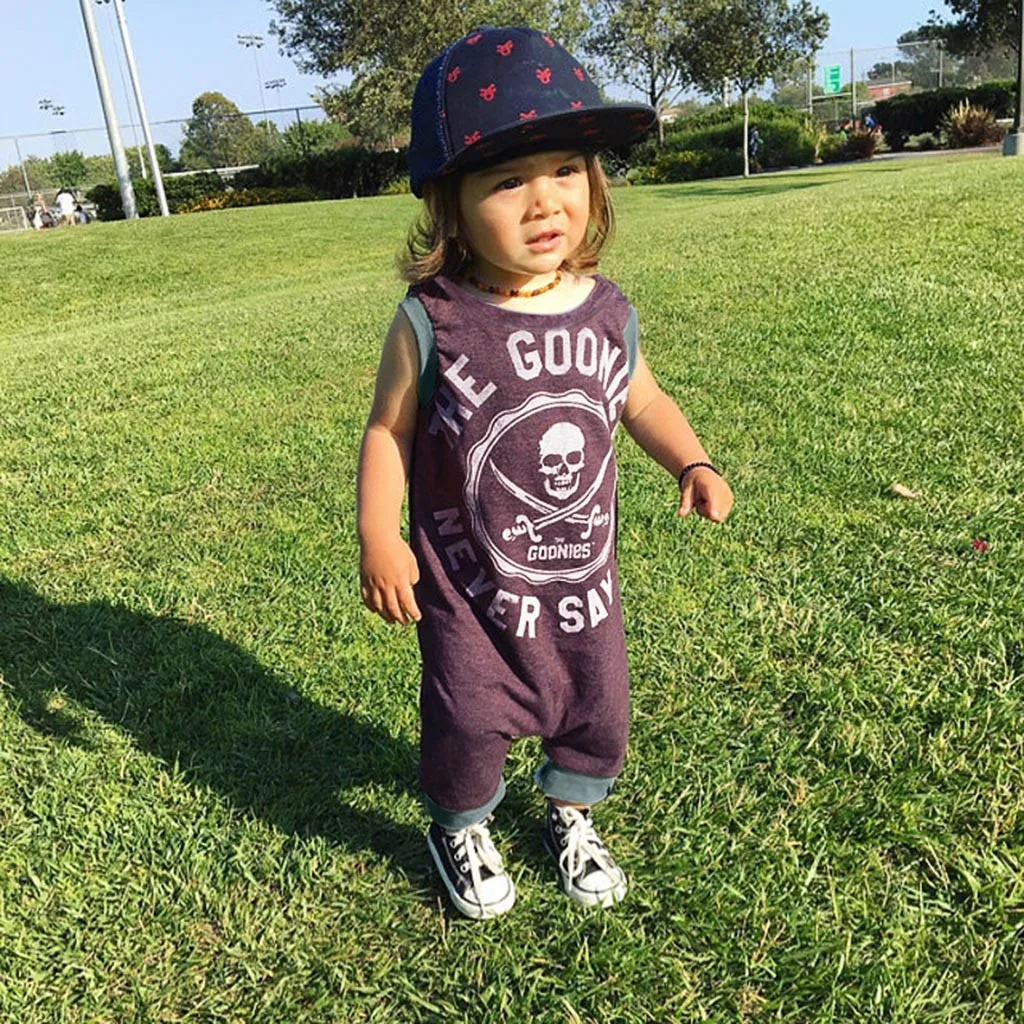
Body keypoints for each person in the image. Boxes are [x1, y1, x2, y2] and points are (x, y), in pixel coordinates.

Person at [356, 25, 734, 920]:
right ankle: (461, 825)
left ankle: (572, 813)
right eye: (507, 181)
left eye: (566, 170)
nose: (544, 202)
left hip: (579, 581)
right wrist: (379, 533)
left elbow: (641, 398)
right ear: (449, 205)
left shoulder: (607, 311)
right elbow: (388, 430)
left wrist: (691, 458)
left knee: (597, 705)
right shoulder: (434, 319)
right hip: (468, 586)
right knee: (466, 714)